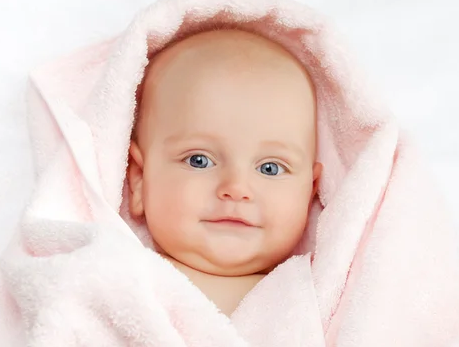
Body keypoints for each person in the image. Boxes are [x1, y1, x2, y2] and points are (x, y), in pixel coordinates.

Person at [126, 28, 323, 316]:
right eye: (199, 161)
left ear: (309, 192)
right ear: (139, 181)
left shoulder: (321, 303)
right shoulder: (118, 277)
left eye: (270, 168)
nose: (236, 188)